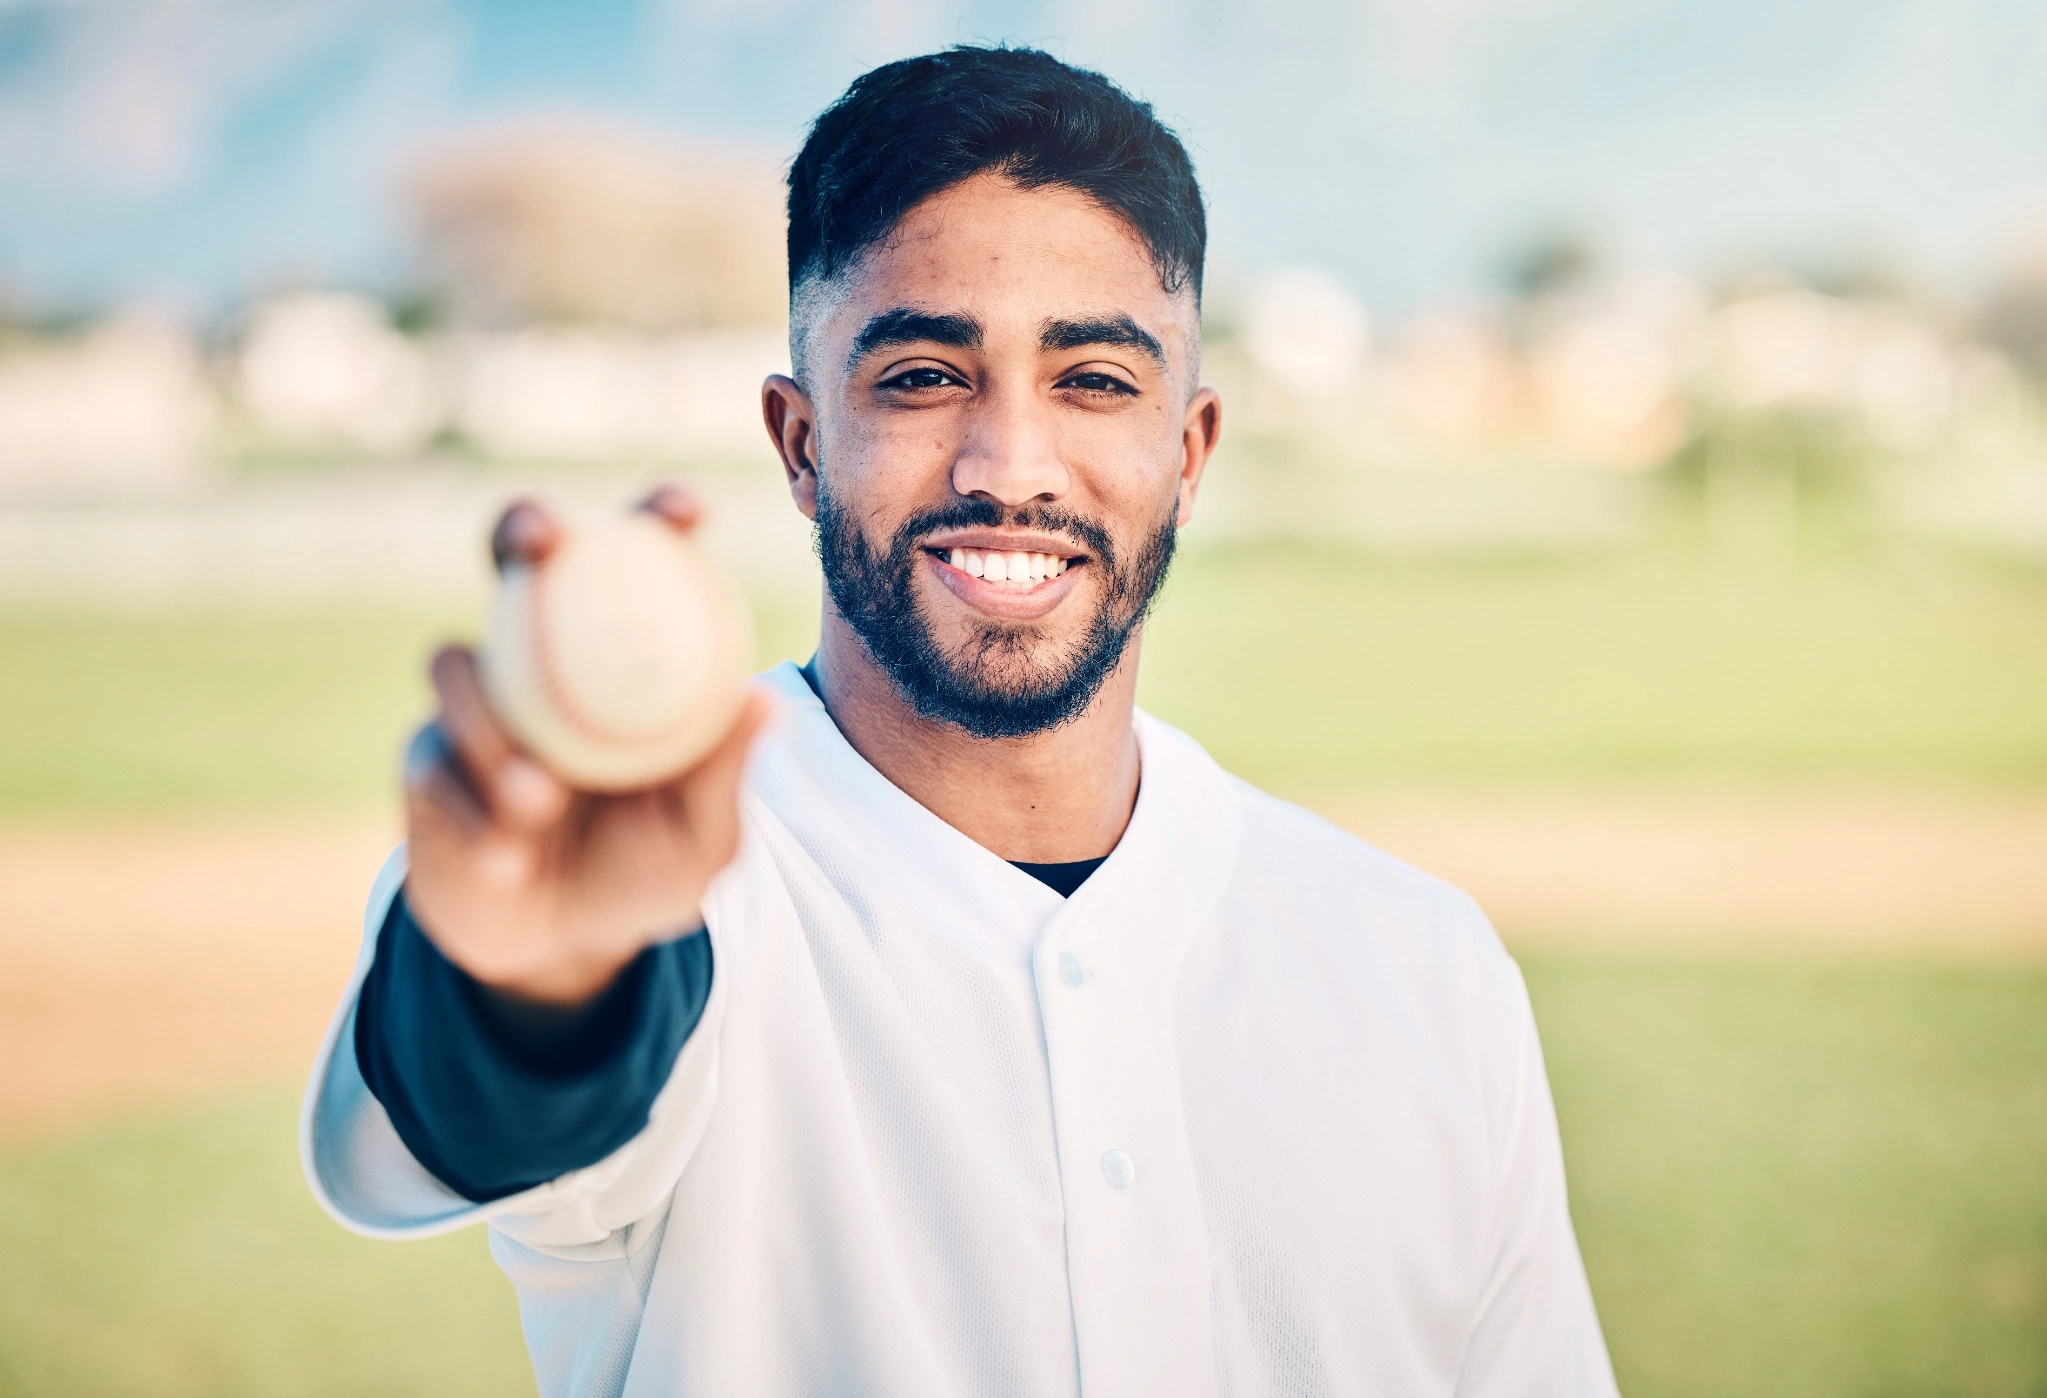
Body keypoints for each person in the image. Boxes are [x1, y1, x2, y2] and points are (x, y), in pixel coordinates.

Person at [303, 45, 1619, 1398]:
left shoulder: (1420, 966)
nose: (1009, 465)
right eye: (925, 375)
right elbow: (513, 1094)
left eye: (1094, 380)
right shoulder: (652, 888)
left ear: (1189, 448)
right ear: (802, 444)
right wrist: (534, 987)